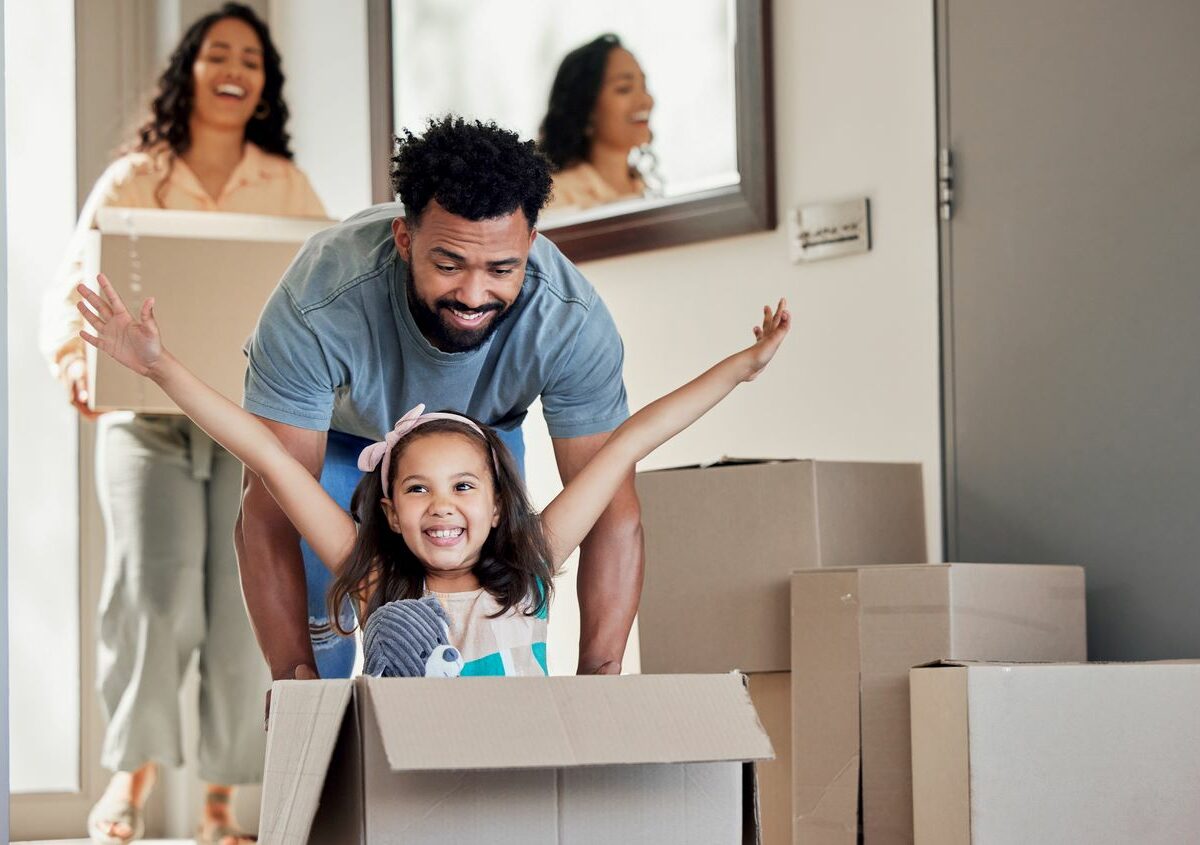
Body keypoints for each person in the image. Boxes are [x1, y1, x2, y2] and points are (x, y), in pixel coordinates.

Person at [76, 275, 790, 680]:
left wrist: (743, 366)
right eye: (417, 488)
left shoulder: (529, 568)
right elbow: (266, 456)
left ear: (495, 504)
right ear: (388, 510)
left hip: (514, 793)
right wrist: (158, 367)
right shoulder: (376, 580)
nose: (441, 506)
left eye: (463, 486)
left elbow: (632, 436)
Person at [39, 5, 326, 843]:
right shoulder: (136, 175)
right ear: (189, 73)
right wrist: (71, 362)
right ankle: (131, 776)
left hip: (241, 421)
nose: (235, 68)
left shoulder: (286, 184)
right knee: (153, 594)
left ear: (264, 84)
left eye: (251, 57)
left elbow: (328, 282)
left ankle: (218, 801)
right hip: (143, 420)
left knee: (243, 609)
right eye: (217, 54)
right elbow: (70, 284)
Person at [234, 116, 642, 690]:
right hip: (340, 439)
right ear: (404, 239)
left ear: (530, 243)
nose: (474, 295)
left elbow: (612, 508)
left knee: (489, 624)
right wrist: (291, 677)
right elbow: (270, 504)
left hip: (482, 437)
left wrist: (601, 679)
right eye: (448, 265)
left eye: (502, 269)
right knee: (319, 660)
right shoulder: (318, 303)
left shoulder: (569, 321)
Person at [540, 34, 657, 212]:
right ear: (585, 107)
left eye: (644, 86)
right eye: (624, 89)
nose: (646, 100)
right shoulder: (555, 198)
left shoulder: (642, 187)